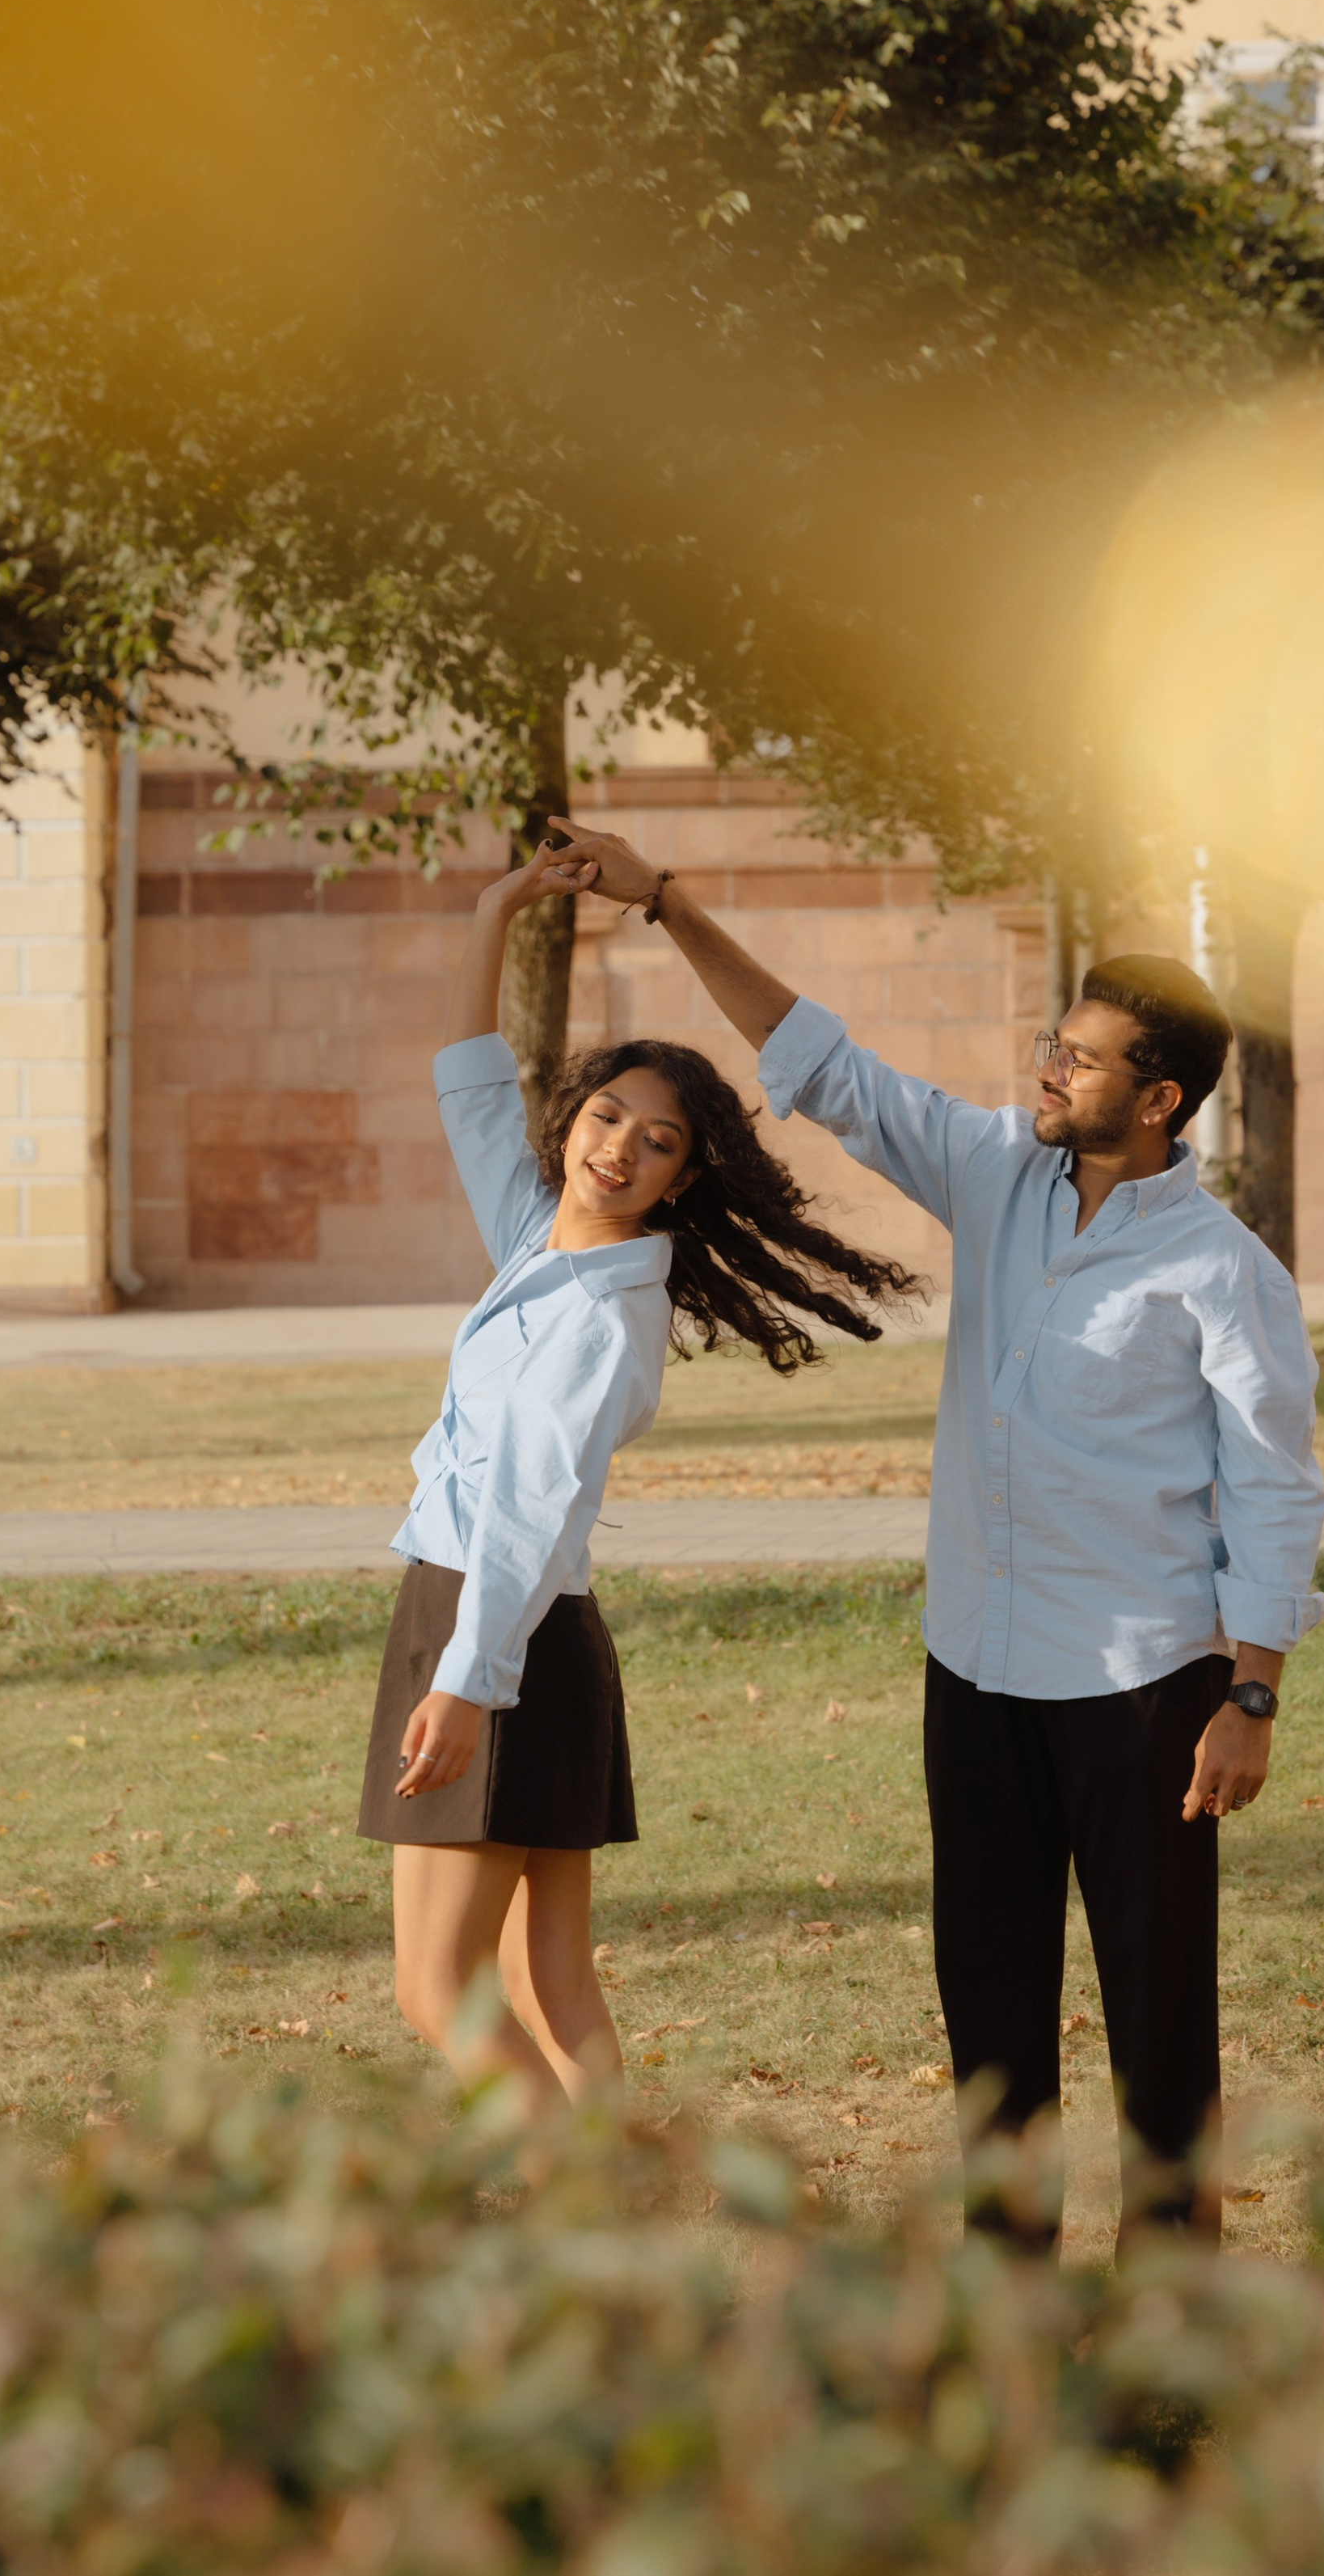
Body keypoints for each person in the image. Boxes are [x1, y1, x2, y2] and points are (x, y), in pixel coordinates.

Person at [550, 819, 1324, 2241]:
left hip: (1146, 1685)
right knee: (990, 2016)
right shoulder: (993, 1170)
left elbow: (1275, 1480)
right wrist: (661, 900)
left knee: (1161, 2029)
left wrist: (1253, 1692)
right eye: (1055, 1037)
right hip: (974, 1669)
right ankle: (1010, 2303)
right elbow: (824, 1064)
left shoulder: (1222, 1270)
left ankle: (1172, 2324)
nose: (1048, 1064)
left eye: (1079, 1056)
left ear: (1156, 1100)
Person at [358, 837, 920, 2114]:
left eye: (656, 1141)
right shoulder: (539, 1240)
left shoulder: (603, 1313)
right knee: (548, 1975)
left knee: (439, 1992)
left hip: (491, 1629)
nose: (619, 1147)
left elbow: (524, 1508)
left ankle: (584, 2236)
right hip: (531, 1636)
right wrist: (497, 906)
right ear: (576, 1117)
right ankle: (643, 2219)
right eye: (608, 1115)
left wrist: (460, 1682)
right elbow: (467, 1086)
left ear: (684, 1175)